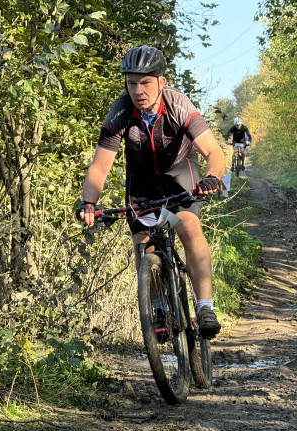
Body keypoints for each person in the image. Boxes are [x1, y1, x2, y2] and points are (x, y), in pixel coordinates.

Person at [77, 45, 226, 339]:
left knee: (189, 225)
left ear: (161, 81)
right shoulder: (120, 111)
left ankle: (205, 307)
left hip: (179, 174)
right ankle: (159, 309)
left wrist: (212, 177)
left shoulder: (178, 104)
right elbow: (99, 168)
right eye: (131, 82)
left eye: (145, 82)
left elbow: (214, 152)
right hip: (142, 182)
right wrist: (89, 202)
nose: (138, 90)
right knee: (142, 243)